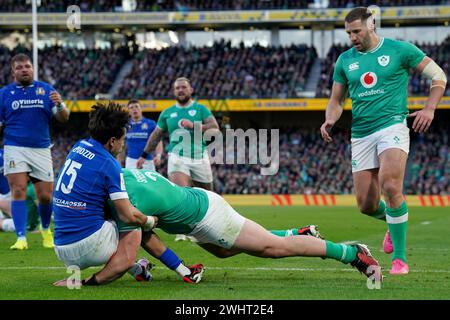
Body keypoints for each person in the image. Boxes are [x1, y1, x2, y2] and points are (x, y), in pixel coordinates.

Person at [320, 7, 447, 275]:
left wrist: (429, 109)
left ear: (371, 26)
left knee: (390, 185)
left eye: (357, 31)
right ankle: (392, 222)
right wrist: (330, 119)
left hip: (392, 126)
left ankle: (399, 260)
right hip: (361, 133)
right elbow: (336, 99)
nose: (352, 37)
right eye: (349, 33)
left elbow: (439, 76)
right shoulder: (344, 61)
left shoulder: (401, 50)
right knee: (366, 204)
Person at [99, 168, 382, 284]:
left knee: (274, 249)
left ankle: (352, 253)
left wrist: (89, 281)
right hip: (200, 209)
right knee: (223, 252)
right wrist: (183, 269)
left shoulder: (131, 202)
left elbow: (142, 244)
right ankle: (298, 233)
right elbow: (149, 236)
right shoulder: (125, 175)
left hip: (209, 218)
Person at [52, 102, 203, 286]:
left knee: (115, 213)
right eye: (123, 140)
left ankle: (140, 270)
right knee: (134, 220)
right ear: (112, 141)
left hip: (60, 246)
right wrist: (149, 220)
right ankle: (184, 271)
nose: (123, 145)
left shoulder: (78, 146)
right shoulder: (110, 164)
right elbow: (128, 216)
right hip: (88, 246)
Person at [0, 53, 70, 250]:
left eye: (27, 66)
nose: (24, 70)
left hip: (41, 148)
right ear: (13, 71)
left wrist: (60, 104)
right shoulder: (4, 94)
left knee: (46, 196)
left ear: (32, 68)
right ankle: (21, 238)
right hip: (14, 148)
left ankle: (46, 229)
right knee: (19, 190)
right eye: (20, 67)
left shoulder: (46, 90)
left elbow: (64, 118)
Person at [136, 77, 220, 241]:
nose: (180, 90)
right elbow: (156, 135)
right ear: (174, 92)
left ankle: (208, 227)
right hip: (176, 155)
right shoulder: (167, 113)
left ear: (190, 90)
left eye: (183, 87)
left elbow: (215, 129)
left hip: (199, 156)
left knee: (208, 194)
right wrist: (144, 155)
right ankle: (184, 231)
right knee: (181, 192)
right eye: (177, 88)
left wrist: (194, 126)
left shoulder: (201, 109)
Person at [122, 99, 163, 170]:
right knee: (132, 181)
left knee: (150, 181)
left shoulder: (151, 123)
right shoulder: (126, 125)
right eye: (131, 108)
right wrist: (119, 161)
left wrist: (158, 156)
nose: (134, 109)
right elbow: (122, 144)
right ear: (128, 111)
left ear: (141, 109)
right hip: (131, 160)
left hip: (147, 160)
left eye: (136, 106)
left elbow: (158, 141)